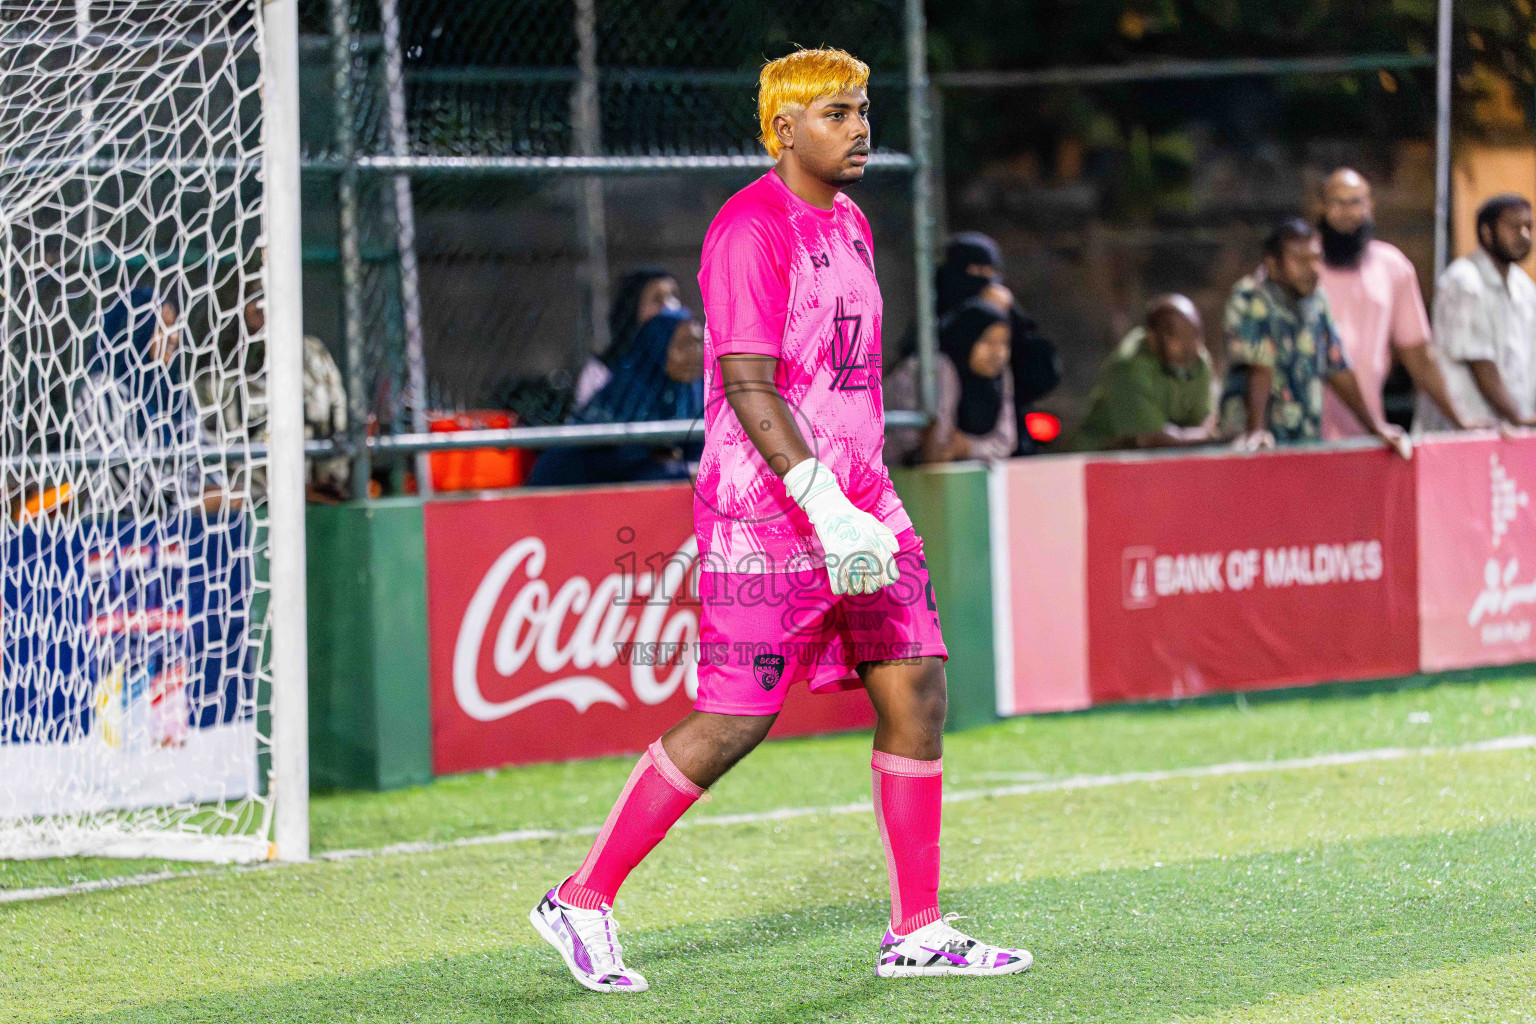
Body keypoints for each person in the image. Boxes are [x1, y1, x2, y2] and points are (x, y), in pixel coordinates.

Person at [529, 47, 1032, 993]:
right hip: (766, 515)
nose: (860, 128)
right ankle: (580, 898)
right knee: (736, 719)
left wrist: (858, 502)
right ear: (785, 128)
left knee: (917, 687)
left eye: (864, 110)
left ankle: (916, 931)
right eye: (838, 114)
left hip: (861, 499)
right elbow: (748, 384)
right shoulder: (748, 228)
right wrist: (822, 505)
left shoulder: (852, 222)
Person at [1219, 219, 1411, 457]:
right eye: (1300, 260)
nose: (1312, 268)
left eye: (1316, 258)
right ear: (1273, 264)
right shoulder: (1249, 296)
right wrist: (1256, 430)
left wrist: (1376, 427)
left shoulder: (1317, 298)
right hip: (1252, 445)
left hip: (1303, 440)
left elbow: (1337, 366)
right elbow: (1259, 366)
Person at [1315, 168, 1470, 437]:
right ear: (1321, 207)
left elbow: (1417, 355)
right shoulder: (1301, 262)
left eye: (1355, 202)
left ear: (1370, 205)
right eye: (1337, 203)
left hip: (1367, 429)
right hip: (1300, 427)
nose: (1347, 212)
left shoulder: (1392, 266)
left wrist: (1460, 421)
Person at [73, 287, 234, 515]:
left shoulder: (175, 393)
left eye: (175, 327)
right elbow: (125, 475)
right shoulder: (100, 392)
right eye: (164, 327)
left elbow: (203, 454)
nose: (174, 337)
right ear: (138, 328)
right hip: (118, 526)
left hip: (186, 522)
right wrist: (190, 503)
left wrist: (217, 491)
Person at [523, 307, 704, 487]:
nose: (696, 354)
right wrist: (680, 472)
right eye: (683, 345)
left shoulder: (690, 394)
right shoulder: (627, 396)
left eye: (699, 343)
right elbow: (624, 467)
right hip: (564, 492)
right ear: (656, 348)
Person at [1415, 194, 1536, 433]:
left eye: (1528, 227)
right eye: (1514, 227)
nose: (1524, 235)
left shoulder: (1524, 286)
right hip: (1465, 431)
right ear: (1487, 232)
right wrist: (1518, 417)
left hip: (1511, 432)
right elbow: (1481, 363)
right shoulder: (1464, 281)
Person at [1075, 294, 1216, 451]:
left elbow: (1205, 421)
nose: (1189, 345)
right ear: (1152, 337)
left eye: (1194, 335)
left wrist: (1198, 433)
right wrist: (1200, 435)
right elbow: (1152, 439)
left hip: (1168, 455)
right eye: (1177, 337)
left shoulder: (1197, 358)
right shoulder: (1129, 365)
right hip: (1101, 455)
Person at [884, 299, 1016, 464]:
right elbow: (935, 448)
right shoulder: (937, 368)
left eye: (1004, 343)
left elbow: (1005, 442)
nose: (998, 353)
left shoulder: (1000, 376)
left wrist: (967, 446)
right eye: (988, 342)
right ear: (965, 339)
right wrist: (948, 447)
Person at [571, 267, 684, 411]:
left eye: (674, 296)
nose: (671, 307)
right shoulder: (600, 372)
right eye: (657, 299)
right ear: (633, 308)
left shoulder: (690, 368)